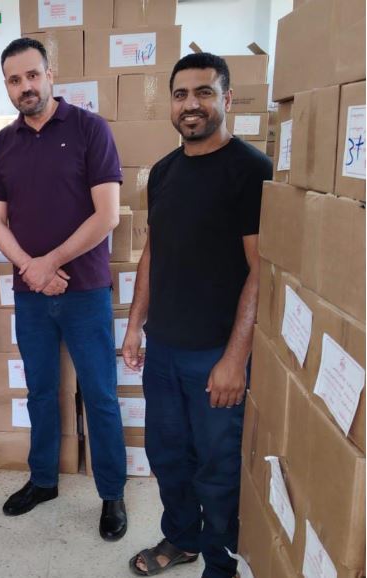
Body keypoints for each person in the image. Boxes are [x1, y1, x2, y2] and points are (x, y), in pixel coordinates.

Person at [123, 53, 271, 577]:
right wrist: (135, 324)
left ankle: (220, 564)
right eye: (181, 94)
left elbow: (261, 270)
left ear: (226, 99)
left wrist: (235, 359)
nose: (192, 104)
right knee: (168, 456)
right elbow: (153, 251)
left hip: (215, 353)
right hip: (164, 348)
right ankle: (182, 538)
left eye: (204, 92)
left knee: (218, 468)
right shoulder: (163, 172)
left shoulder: (251, 171)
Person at [0, 37, 128, 541]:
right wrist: (31, 269)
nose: (25, 86)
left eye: (32, 75)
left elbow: (107, 215)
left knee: (100, 394)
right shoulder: (3, 144)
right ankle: (43, 480)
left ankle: (112, 493)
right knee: (41, 392)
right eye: (14, 80)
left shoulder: (90, 129)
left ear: (51, 74)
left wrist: (50, 263)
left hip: (85, 291)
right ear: (7, 86)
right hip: (30, 295)